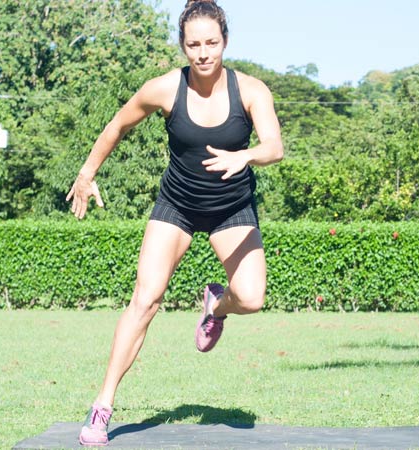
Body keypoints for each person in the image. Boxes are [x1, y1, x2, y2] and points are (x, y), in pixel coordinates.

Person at [66, 0, 284, 446]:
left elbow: (275, 146)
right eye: (193, 44)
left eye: (211, 42)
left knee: (252, 297)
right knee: (145, 299)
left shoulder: (252, 91)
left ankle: (215, 306)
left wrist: (245, 154)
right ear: (183, 46)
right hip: (178, 207)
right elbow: (116, 126)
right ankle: (103, 406)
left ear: (225, 41)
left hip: (231, 208)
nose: (203, 53)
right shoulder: (164, 89)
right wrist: (86, 175)